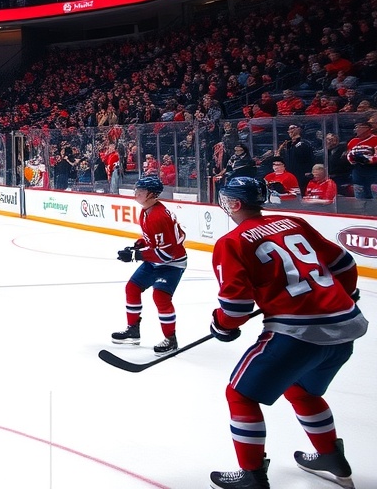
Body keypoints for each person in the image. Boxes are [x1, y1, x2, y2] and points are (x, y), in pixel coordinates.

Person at [206, 177, 366, 489]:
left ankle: (251, 476)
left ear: (235, 204)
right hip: (345, 328)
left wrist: (220, 325)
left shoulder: (232, 242)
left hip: (296, 332)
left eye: (226, 199)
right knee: (301, 390)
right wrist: (345, 293)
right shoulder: (293, 222)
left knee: (240, 394)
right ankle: (330, 456)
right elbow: (344, 264)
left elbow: (236, 309)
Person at [108, 176, 188, 354]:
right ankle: (133, 330)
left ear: (152, 194)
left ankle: (171, 339)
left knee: (160, 296)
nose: (136, 193)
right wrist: (140, 245)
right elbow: (153, 239)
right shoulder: (147, 211)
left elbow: (167, 254)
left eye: (141, 191)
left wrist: (136, 255)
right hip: (156, 260)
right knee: (132, 288)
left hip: (172, 264)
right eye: (136, 190)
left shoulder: (158, 216)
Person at [344, 121, 377, 200]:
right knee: (360, 198)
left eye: (359, 127)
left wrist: (367, 160)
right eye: (356, 127)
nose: (357, 129)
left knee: (374, 197)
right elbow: (349, 154)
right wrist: (352, 159)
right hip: (358, 172)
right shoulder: (352, 141)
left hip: (373, 171)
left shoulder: (375, 139)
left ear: (368, 129)